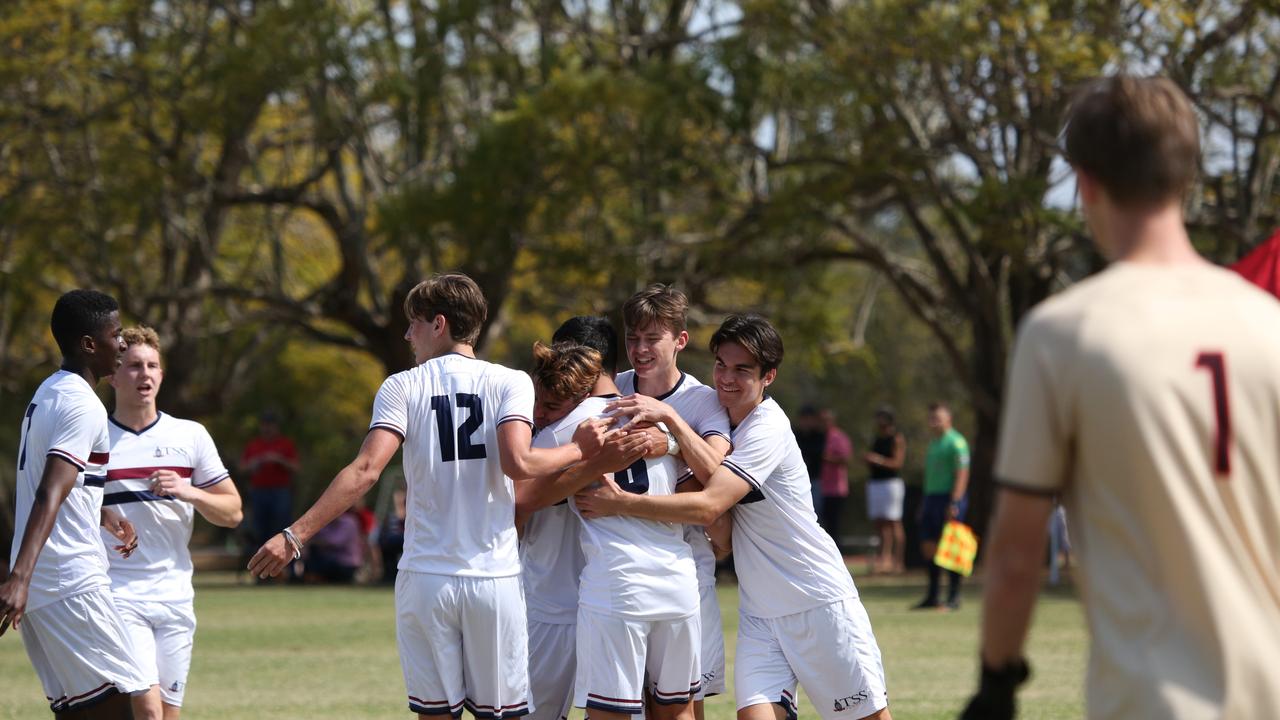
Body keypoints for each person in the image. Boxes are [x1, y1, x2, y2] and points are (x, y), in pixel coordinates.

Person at [961, 75, 1280, 720]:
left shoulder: (1064, 334)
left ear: (1084, 180)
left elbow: (1019, 549)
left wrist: (998, 682)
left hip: (1148, 700)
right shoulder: (1269, 323)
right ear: (1188, 175)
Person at [248, 272, 604, 719]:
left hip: (426, 577)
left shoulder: (403, 385)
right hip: (492, 579)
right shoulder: (511, 381)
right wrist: (579, 449)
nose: (406, 335)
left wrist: (295, 535)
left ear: (439, 324)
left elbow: (364, 471)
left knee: (435, 715)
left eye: (412, 323)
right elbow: (521, 464)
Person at [577, 314, 892, 720]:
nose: (726, 377)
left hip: (817, 600)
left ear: (769, 376)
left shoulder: (768, 427)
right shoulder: (723, 425)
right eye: (721, 365)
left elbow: (710, 505)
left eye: (742, 369)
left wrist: (621, 499)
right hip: (760, 611)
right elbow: (721, 535)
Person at [517, 337, 692, 720]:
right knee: (676, 711)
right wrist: (676, 441)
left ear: (579, 393)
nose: (541, 415)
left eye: (550, 405)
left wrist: (587, 460)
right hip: (679, 581)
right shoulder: (656, 416)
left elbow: (519, 498)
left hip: (618, 586)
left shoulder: (573, 428)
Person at [0, 289, 151, 718]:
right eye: (116, 335)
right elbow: (50, 488)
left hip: (47, 589)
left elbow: (58, 483)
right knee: (121, 702)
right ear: (89, 344)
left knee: (80, 712)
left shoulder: (48, 392)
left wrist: (100, 512)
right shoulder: (84, 406)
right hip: (70, 582)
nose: (122, 344)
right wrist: (18, 579)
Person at [102, 326, 244, 720]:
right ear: (112, 375)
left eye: (152, 366)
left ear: (162, 375)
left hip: (176, 592)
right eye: (132, 367)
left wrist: (189, 491)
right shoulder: (94, 439)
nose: (144, 375)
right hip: (118, 592)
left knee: (167, 713)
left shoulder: (190, 435)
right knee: (147, 710)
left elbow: (233, 512)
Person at [609, 285, 733, 713]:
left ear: (680, 340)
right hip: (619, 574)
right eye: (632, 338)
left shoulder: (702, 400)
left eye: (651, 338)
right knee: (625, 704)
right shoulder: (610, 389)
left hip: (684, 574)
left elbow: (718, 469)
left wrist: (672, 431)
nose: (639, 349)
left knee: (683, 705)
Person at [913, 402, 969, 611]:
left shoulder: (957, 443)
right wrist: (924, 502)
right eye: (931, 418)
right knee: (929, 546)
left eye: (938, 418)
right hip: (931, 498)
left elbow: (962, 473)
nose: (934, 422)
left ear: (949, 419)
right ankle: (933, 595)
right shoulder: (933, 444)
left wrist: (955, 501)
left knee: (953, 547)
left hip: (949, 498)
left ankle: (954, 596)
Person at [240, 410, 298, 551]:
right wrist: (255, 463)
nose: (268, 428)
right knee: (259, 528)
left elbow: (296, 467)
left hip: (280, 492)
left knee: (281, 527)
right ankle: (261, 564)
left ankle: (284, 566)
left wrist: (279, 460)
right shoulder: (254, 445)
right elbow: (242, 468)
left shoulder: (285, 444)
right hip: (259, 492)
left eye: (271, 425)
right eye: (265, 425)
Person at [863, 408, 906, 574]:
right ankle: (883, 561)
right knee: (880, 524)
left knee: (894, 522)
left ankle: (898, 561)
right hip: (875, 483)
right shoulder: (876, 439)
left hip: (891, 484)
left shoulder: (896, 438)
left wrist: (878, 460)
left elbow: (897, 463)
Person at [817, 410, 852, 549]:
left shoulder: (839, 437)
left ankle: (837, 552)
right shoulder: (819, 437)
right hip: (821, 487)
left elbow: (845, 459)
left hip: (836, 489)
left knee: (834, 525)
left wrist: (827, 458)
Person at [793, 406, 827, 515]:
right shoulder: (794, 434)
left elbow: (818, 453)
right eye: (804, 419)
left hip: (814, 478)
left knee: (815, 509)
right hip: (796, 479)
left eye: (809, 419)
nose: (806, 422)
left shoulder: (819, 435)